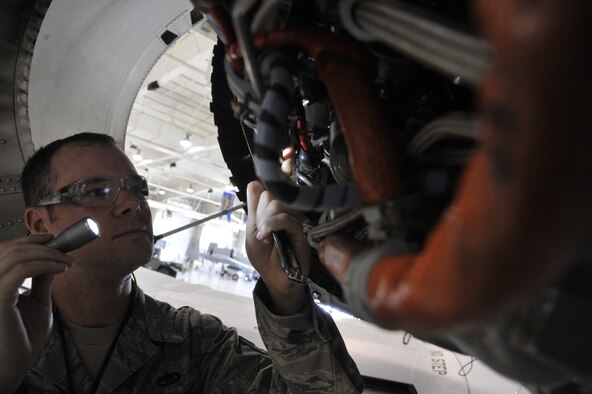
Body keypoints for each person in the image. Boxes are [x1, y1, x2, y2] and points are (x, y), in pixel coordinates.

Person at [0, 132, 363, 393]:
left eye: (137, 187)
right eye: (96, 191)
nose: (132, 204)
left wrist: (288, 302)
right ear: (39, 224)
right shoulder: (6, 331)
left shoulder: (196, 344)